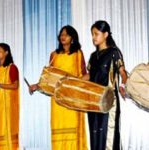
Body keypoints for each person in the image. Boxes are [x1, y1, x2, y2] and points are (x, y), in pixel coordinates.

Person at [29, 25, 88, 150]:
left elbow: (84, 75)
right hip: (57, 100)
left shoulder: (77, 54)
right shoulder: (54, 55)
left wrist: (72, 83)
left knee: (73, 131)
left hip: (72, 99)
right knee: (59, 129)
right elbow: (49, 79)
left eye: (66, 34)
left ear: (72, 38)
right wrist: (37, 86)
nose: (63, 36)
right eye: (61, 34)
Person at [82, 21, 127, 150]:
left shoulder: (114, 52)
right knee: (95, 135)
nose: (93, 37)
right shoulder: (93, 56)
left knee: (108, 136)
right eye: (92, 34)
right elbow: (89, 75)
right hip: (93, 101)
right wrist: (73, 81)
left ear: (106, 34)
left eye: (96, 34)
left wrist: (123, 84)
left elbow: (122, 72)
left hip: (109, 101)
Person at [0, 43, 19, 150]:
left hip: (7, 108)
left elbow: (15, 85)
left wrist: (0, 85)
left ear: (6, 53)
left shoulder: (11, 68)